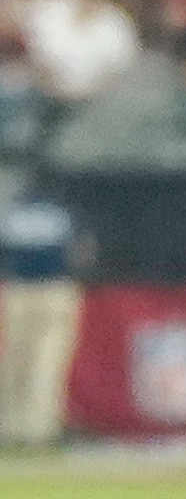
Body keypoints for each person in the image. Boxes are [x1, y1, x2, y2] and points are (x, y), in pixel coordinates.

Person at [1, 173, 90, 448]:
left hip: (18, 291)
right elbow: (82, 252)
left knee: (14, 363)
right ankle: (39, 431)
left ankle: (9, 429)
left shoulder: (11, 217)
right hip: (55, 291)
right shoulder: (62, 216)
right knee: (47, 363)